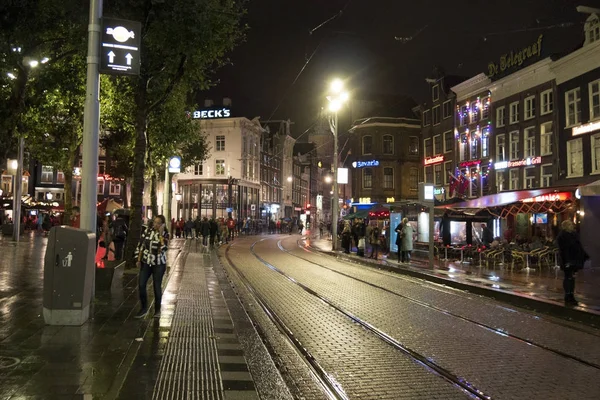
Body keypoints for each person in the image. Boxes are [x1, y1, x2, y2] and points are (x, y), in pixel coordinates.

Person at [134, 215, 170, 318]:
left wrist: (160, 235)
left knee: (156, 286)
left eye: (159, 223)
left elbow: (163, 248)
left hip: (159, 264)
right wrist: (138, 258)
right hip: (146, 262)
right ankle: (143, 308)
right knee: (141, 284)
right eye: (155, 222)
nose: (156, 225)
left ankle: (157, 310)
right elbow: (141, 244)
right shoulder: (147, 231)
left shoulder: (165, 234)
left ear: (162, 224)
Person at [556, 219, 588, 306]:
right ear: (566, 226)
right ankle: (568, 295)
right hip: (568, 260)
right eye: (570, 225)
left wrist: (584, 256)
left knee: (572, 278)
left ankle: (571, 295)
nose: (572, 226)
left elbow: (578, 246)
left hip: (575, 259)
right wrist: (566, 261)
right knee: (568, 277)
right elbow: (563, 250)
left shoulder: (574, 235)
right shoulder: (562, 236)